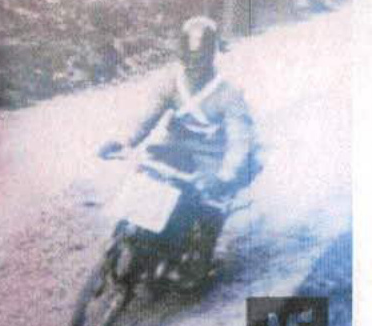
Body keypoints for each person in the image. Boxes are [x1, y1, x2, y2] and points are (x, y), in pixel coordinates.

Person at [98, 17, 259, 277]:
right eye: (190, 57)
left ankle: (199, 259)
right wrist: (123, 140)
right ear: (181, 54)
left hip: (211, 155)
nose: (195, 64)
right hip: (175, 145)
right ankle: (132, 238)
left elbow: (240, 138)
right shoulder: (172, 82)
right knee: (146, 178)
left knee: (210, 201)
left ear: (212, 56)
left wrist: (226, 174)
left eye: (202, 57)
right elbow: (147, 116)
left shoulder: (229, 93)